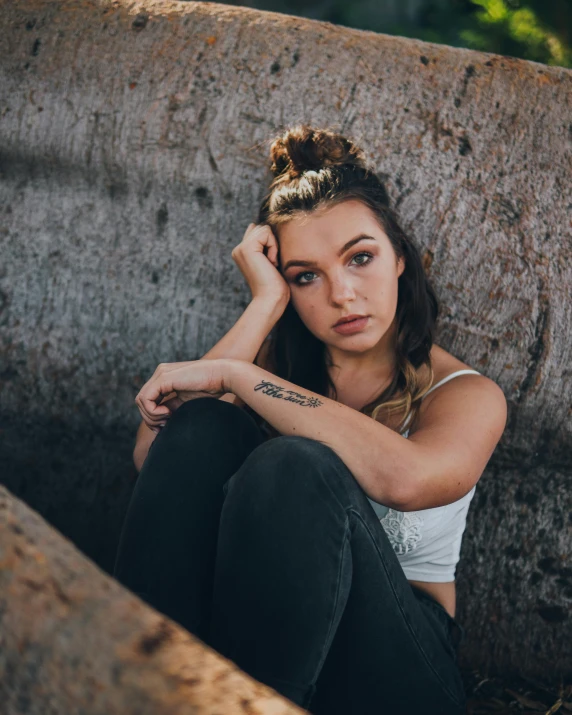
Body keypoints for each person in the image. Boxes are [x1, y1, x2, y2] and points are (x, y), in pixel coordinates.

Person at [113, 124, 507, 714]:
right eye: (306, 277)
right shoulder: (277, 360)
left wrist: (239, 378)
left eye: (361, 258)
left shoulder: (464, 393)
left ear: (400, 257)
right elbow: (157, 457)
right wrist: (263, 306)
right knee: (202, 427)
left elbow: (407, 480)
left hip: (397, 669)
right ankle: (140, 694)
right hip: (254, 644)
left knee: (296, 465)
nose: (343, 295)